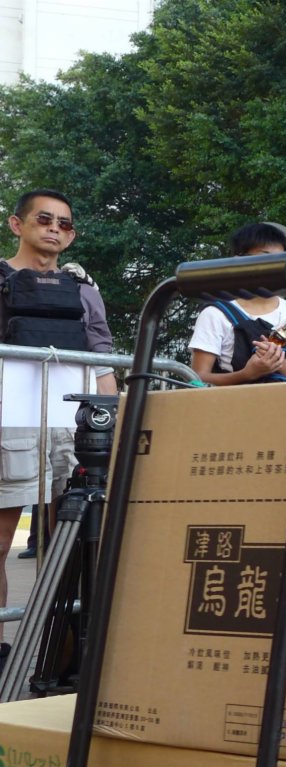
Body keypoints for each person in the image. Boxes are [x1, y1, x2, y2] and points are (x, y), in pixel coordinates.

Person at [1, 189, 118, 607]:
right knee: (1, 542)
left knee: (74, 542)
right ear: (17, 224)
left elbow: (102, 355)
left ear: (71, 236)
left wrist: (112, 419)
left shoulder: (84, 290)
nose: (54, 228)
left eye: (63, 223)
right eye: (44, 219)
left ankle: (65, 639)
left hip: (73, 425)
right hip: (10, 424)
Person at [188, 223, 286, 386]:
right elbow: (197, 379)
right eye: (264, 258)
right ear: (239, 260)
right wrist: (247, 374)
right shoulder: (215, 314)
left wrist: (277, 363)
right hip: (236, 402)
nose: (273, 267)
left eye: (280, 260)